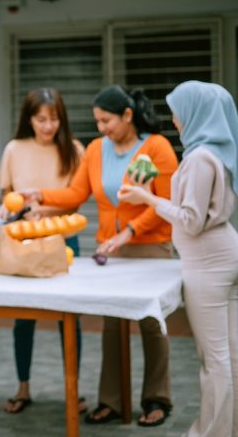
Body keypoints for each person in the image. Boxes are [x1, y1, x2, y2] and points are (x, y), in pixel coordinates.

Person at [21, 85, 178, 427]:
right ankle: (112, 401)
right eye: (97, 121)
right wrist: (41, 194)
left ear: (127, 115)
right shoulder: (95, 149)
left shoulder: (157, 147)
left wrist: (129, 232)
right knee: (112, 323)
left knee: (152, 325)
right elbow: (77, 192)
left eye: (107, 120)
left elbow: (164, 204)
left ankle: (157, 399)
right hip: (111, 248)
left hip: (150, 247)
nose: (102, 127)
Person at [118, 81, 238, 436]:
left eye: (178, 111)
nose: (174, 119)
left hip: (209, 263)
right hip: (222, 255)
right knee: (230, 355)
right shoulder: (218, 153)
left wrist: (148, 199)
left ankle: (210, 432)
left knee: (213, 358)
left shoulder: (200, 158)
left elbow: (191, 219)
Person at [0, 88, 86, 415]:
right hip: (25, 236)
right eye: (41, 119)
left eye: (54, 119)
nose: (48, 126)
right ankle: (23, 387)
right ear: (29, 119)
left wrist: (45, 212)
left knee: (69, 318)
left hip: (64, 238)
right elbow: (8, 194)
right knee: (24, 316)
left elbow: (76, 198)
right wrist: (16, 212)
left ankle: (73, 390)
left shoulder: (74, 149)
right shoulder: (14, 148)